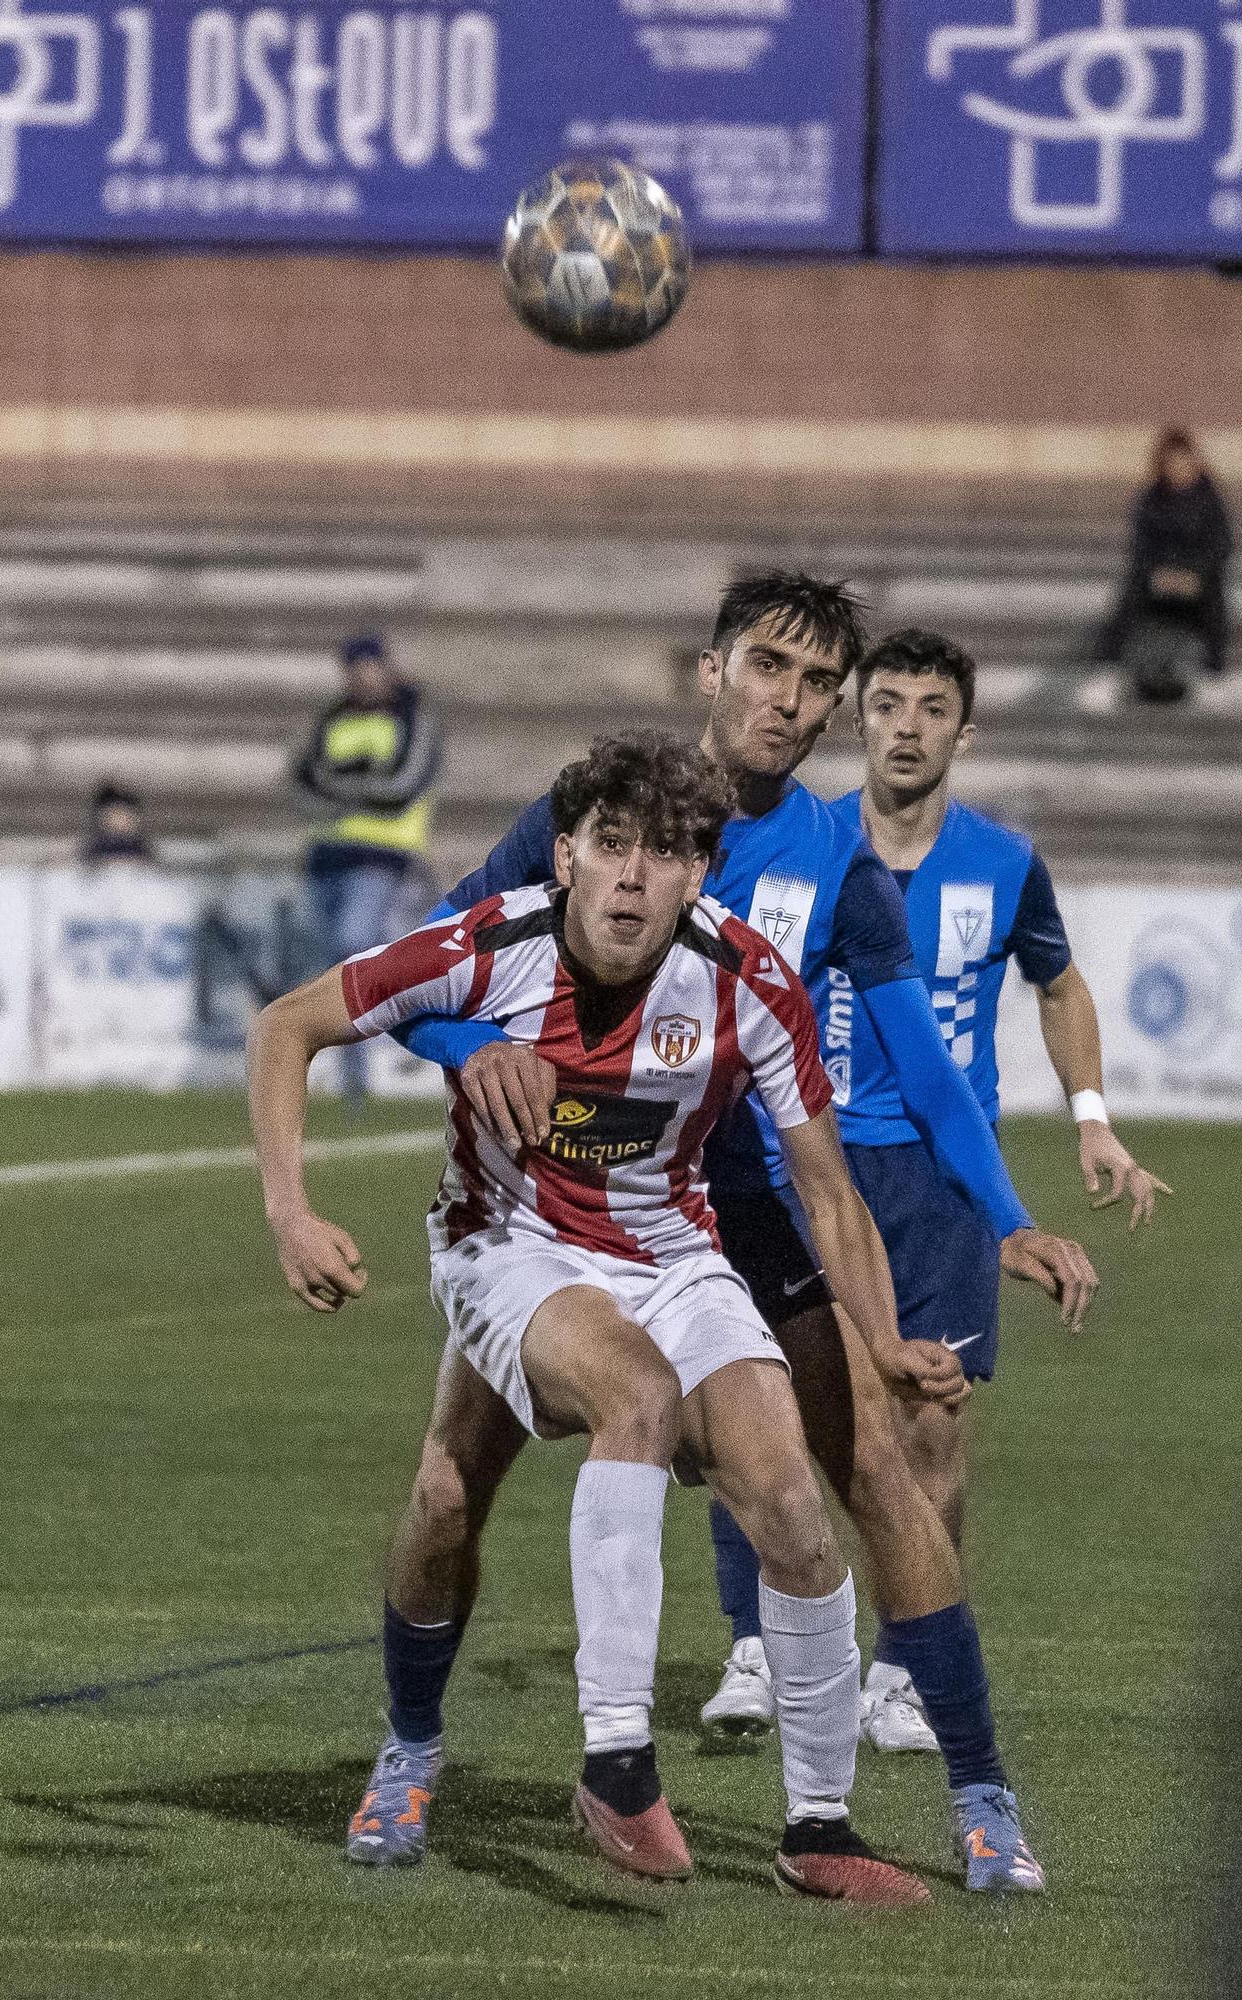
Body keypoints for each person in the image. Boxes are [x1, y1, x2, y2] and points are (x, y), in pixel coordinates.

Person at [381, 572, 1083, 1888]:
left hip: (736, 1211)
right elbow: (427, 961)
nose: (793, 701)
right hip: (552, 1194)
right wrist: (486, 1051)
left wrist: (1009, 1217)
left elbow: (925, 1075)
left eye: (820, 683)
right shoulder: (589, 815)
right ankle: (411, 1750)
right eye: (771, 667)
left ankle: (979, 1800)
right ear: (713, 671)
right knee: (443, 1491)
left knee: (871, 1475)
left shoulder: (838, 865)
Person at [247, 733, 953, 1905]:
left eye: (666, 852)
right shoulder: (489, 942)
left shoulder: (746, 977)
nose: (632, 875)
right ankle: (593, 1760)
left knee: (786, 1496)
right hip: (506, 1244)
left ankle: (819, 1823)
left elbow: (825, 1186)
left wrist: (874, 1341)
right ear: (565, 852)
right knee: (625, 1398)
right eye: (610, 845)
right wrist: (291, 1213)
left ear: (699, 872)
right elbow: (287, 1024)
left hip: (674, 1252)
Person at [826, 626, 1170, 1745]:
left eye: (932, 707)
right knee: (784, 1411)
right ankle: (758, 1645)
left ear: (962, 731)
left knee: (932, 1421)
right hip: (814, 1162)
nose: (908, 725)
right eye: (888, 703)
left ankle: (904, 1667)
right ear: (857, 717)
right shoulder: (804, 845)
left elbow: (1060, 985)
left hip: (941, 1176)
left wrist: (1091, 1119)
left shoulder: (1004, 862)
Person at [291, 632, 443, 1089]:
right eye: (352, 669)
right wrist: (363, 781)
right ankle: (342, 1075)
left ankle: (368, 1071)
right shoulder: (331, 716)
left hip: (384, 856)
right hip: (325, 855)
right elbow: (301, 784)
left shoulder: (414, 715)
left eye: (368, 666)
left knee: (355, 948)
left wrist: (341, 785)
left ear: (384, 666)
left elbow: (402, 787)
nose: (360, 677)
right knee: (326, 965)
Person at [1099, 427, 1233, 686]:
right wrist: (1159, 572)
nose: (1179, 468)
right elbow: (1141, 546)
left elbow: (1221, 545)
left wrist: (1194, 574)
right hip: (1160, 577)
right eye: (1172, 461)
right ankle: (1108, 662)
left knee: (1216, 597)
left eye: (1185, 460)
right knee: (1131, 590)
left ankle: (1215, 668)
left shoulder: (1210, 498)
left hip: (1196, 579)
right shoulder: (1151, 498)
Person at [80, 782, 154, 864]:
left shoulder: (142, 848)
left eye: (125, 815)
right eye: (114, 815)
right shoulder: (95, 848)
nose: (120, 820)